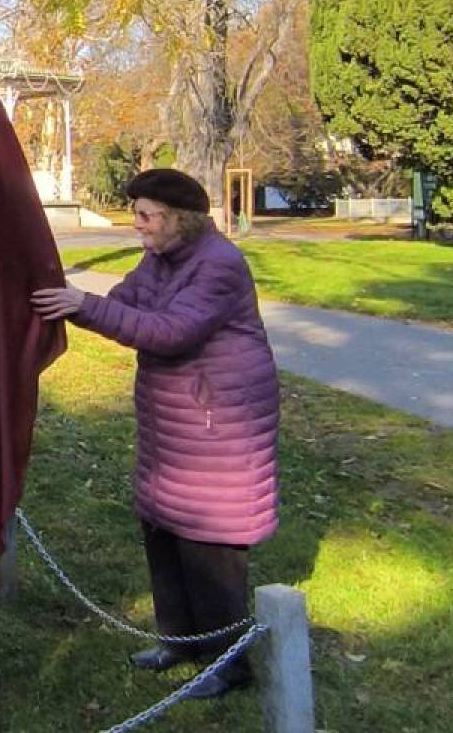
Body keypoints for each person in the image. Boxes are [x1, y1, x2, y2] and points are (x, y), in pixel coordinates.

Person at [32, 169, 278, 699]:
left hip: (219, 423)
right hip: (175, 422)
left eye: (147, 216)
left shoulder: (220, 265)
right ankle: (180, 642)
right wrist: (69, 303)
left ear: (180, 217)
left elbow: (172, 332)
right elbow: (126, 303)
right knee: (163, 528)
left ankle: (228, 664)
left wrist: (85, 305)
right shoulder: (160, 257)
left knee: (209, 545)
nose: (137, 226)